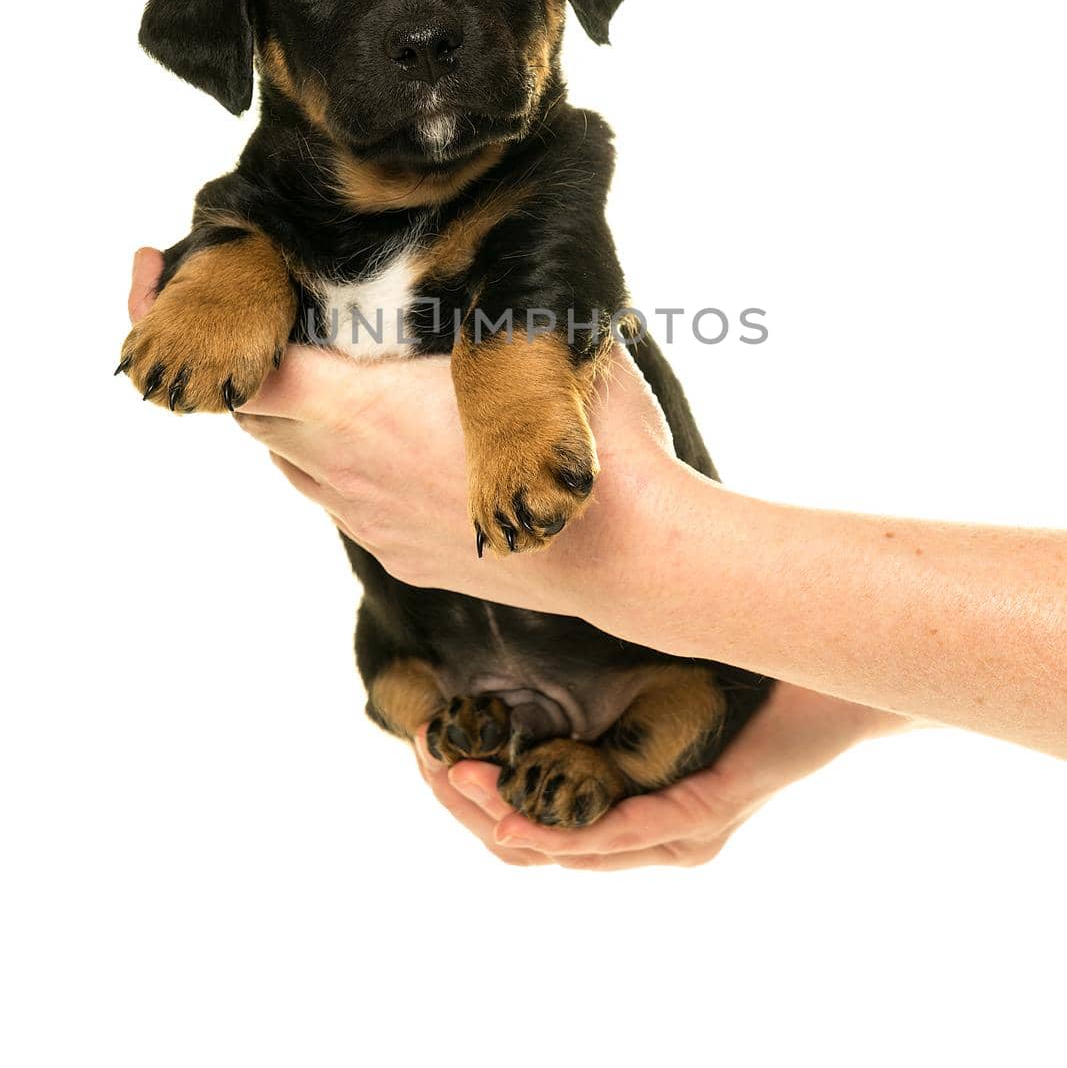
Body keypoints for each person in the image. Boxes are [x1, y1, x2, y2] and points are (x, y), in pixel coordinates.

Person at [128, 250, 1067, 870]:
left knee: (688, 696)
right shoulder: (282, 201)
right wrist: (844, 694)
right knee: (391, 679)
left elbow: (558, 295)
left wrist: (635, 555)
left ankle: (599, 751)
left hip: (635, 679)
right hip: (430, 649)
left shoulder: (542, 190)